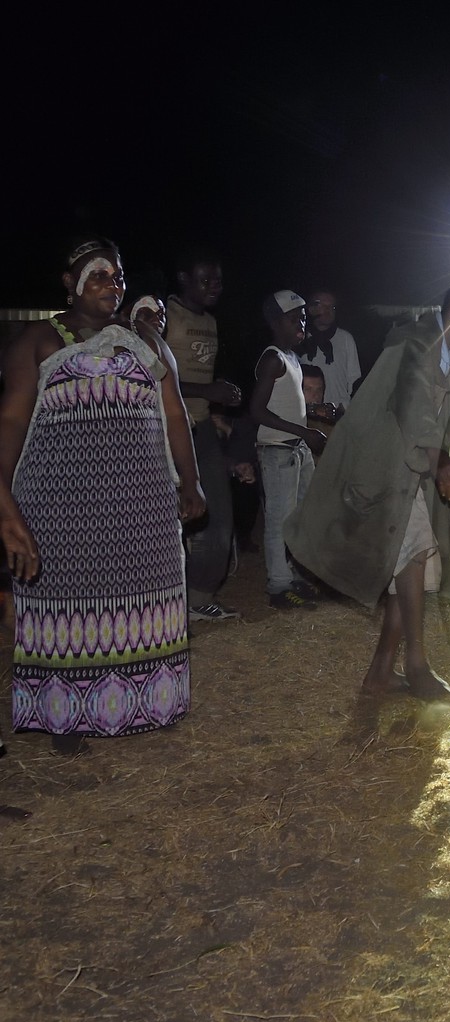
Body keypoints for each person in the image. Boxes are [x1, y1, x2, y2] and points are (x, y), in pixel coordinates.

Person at [0, 240, 205, 754]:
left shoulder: (147, 343)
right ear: (68, 283)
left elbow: (175, 413)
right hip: (60, 506)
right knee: (68, 604)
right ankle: (66, 714)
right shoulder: (38, 339)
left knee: (144, 596)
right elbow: (10, 420)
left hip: (142, 505)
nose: (111, 286)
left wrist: (191, 479)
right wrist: (3, 494)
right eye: (97, 276)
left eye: (117, 277)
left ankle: (148, 701)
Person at [283, 281, 450, 699]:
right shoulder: (417, 343)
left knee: (410, 572)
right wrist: (440, 459)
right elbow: (413, 404)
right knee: (415, 558)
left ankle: (381, 674)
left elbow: (442, 402)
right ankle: (417, 667)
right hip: (384, 470)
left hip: (408, 474)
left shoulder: (449, 354)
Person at [166, 249, 244, 622]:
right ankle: (165, 605)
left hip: (201, 429)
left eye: (218, 280)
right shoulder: (163, 317)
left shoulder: (211, 322)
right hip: (164, 431)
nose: (214, 286)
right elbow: (150, 379)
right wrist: (206, 390)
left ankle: (197, 599)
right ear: (183, 278)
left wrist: (215, 408)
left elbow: (198, 381)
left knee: (217, 518)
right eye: (205, 279)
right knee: (167, 522)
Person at [249, 291, 327, 609]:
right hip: (278, 450)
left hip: (296, 448)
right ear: (275, 322)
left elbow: (292, 408)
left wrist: (319, 415)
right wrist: (304, 432)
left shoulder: (292, 357)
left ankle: (291, 575)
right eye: (294, 318)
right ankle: (279, 587)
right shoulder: (273, 359)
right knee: (279, 520)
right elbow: (256, 411)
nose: (302, 323)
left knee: (299, 517)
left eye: (303, 317)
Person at [300, 289, 363, 408]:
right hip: (307, 410)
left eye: (332, 307)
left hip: (339, 409)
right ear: (311, 309)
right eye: (323, 306)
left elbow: (354, 377)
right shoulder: (301, 339)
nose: (328, 310)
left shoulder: (345, 338)